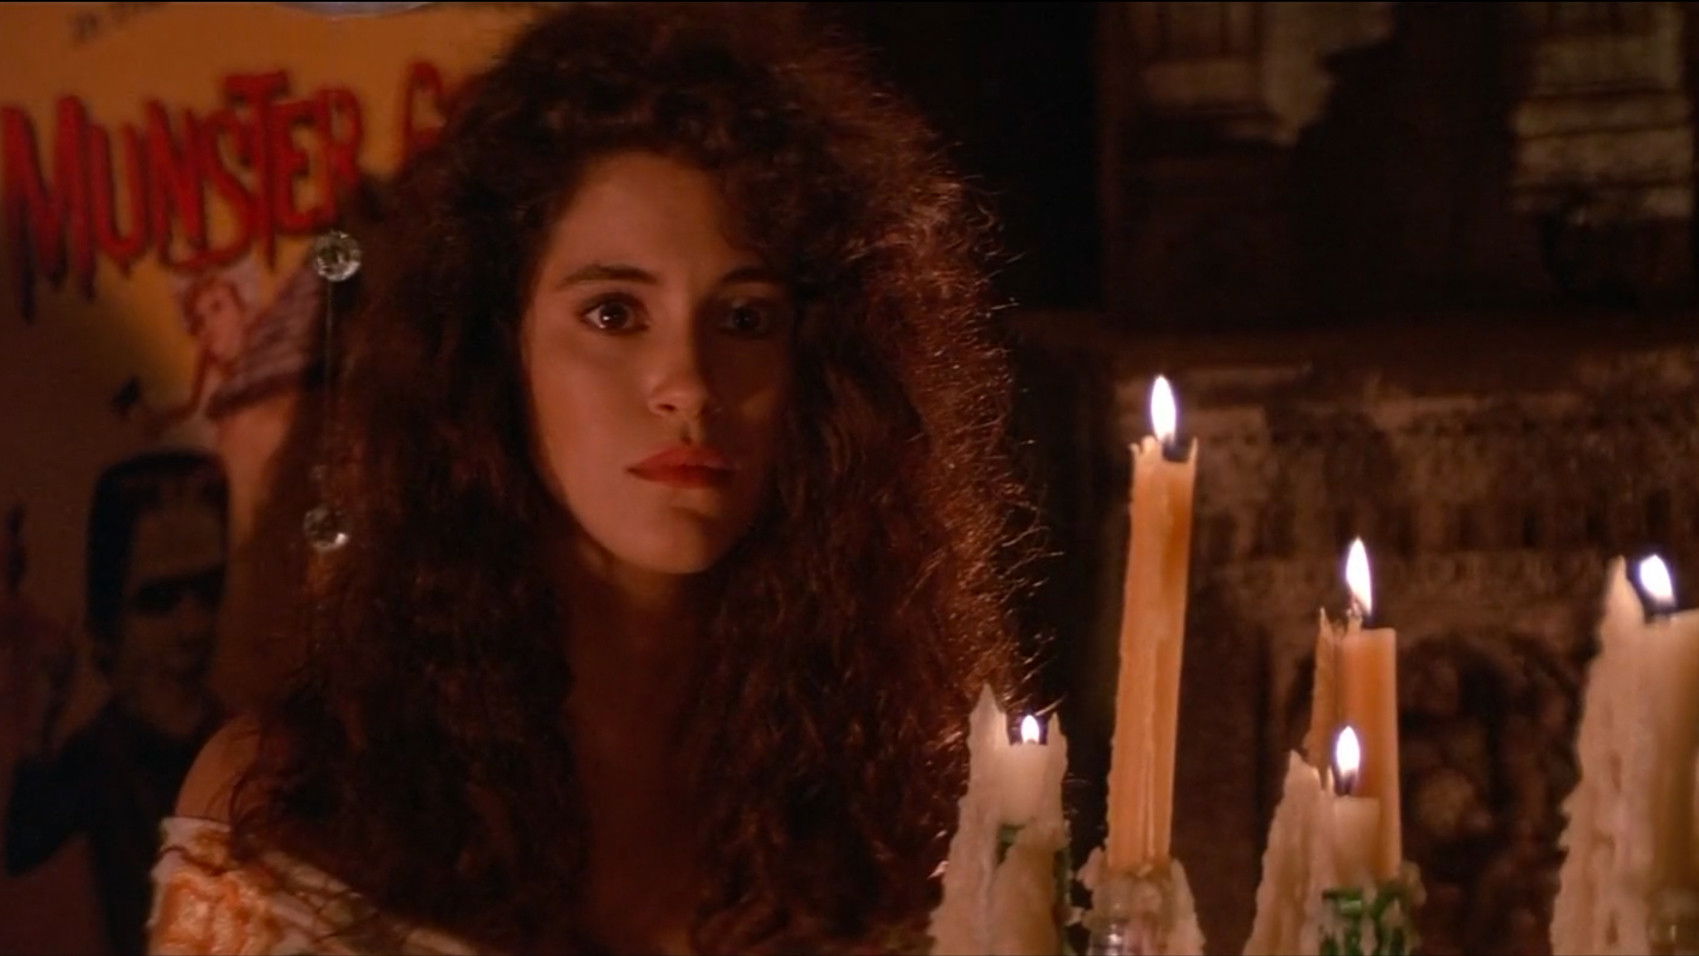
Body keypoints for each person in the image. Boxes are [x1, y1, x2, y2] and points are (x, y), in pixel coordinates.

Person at [151, 5, 1042, 954]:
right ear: (497, 353)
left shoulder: (896, 804)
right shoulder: (291, 799)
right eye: (615, 314)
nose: (687, 384)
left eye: (744, 319)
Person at [5, 450, 226, 956]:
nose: (193, 628)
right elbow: (24, 843)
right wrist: (41, 721)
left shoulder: (242, 748)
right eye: (158, 600)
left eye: (208, 592)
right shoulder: (100, 755)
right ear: (109, 624)